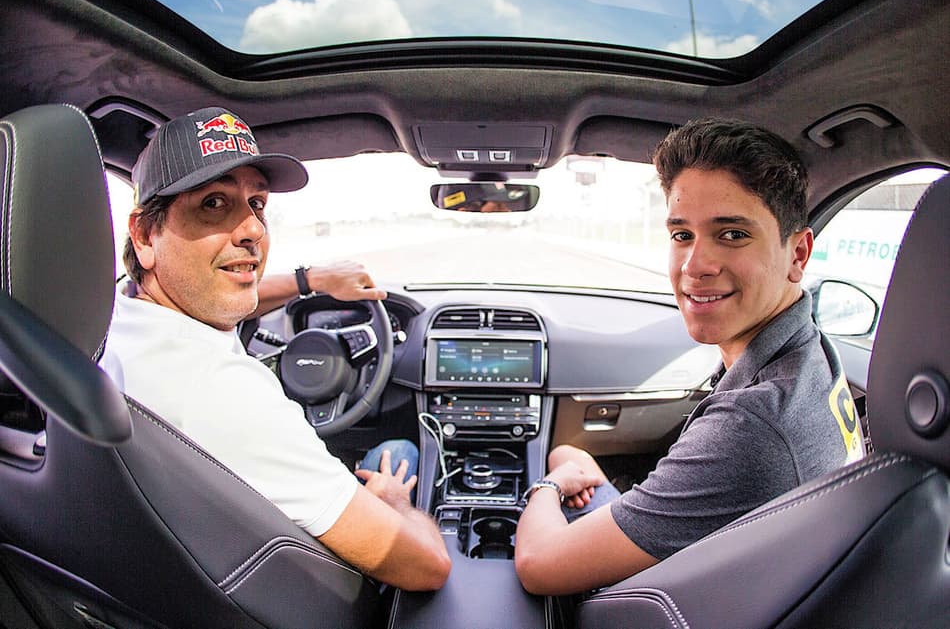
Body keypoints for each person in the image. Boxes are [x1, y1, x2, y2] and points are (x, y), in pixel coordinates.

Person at [100, 107, 450, 591]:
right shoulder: (225, 393)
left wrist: (311, 281)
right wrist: (394, 503)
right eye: (214, 204)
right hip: (323, 597)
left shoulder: (113, 316)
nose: (253, 231)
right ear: (144, 235)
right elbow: (429, 565)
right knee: (399, 453)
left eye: (257, 204)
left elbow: (217, 298)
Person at [514, 118, 865, 595]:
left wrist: (548, 486)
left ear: (798, 254)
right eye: (682, 235)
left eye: (733, 235)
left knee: (566, 458)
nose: (695, 266)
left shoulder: (753, 426)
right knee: (576, 457)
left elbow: (538, 565)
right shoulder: (808, 352)